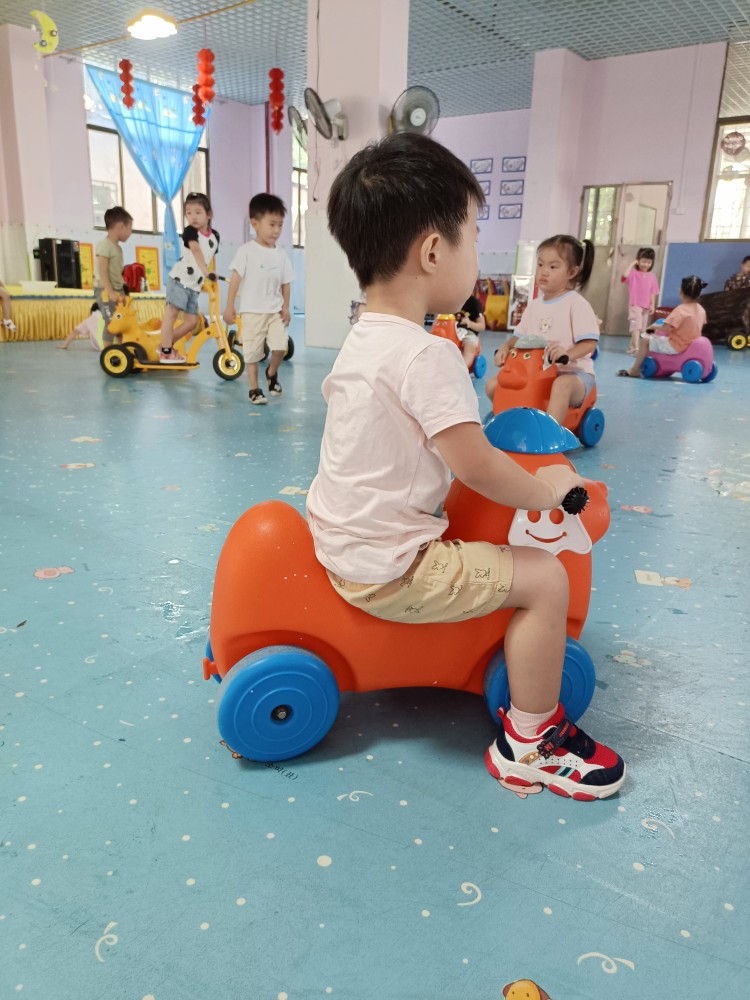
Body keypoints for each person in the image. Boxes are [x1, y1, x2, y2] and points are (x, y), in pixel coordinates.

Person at [305, 133, 625, 801]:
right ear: (432, 252)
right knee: (546, 578)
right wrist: (546, 493)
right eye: (474, 237)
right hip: (391, 566)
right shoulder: (428, 355)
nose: (478, 254)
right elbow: (476, 465)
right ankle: (532, 742)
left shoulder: (361, 338)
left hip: (341, 539)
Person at [484, 236, 600, 425]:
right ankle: (512, 422)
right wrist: (505, 347)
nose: (544, 272)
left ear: (572, 272)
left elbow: (589, 343)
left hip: (572, 374)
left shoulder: (577, 304)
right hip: (537, 375)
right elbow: (518, 337)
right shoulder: (534, 306)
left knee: (561, 385)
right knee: (492, 385)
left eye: (553, 267)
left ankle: (548, 434)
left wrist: (567, 354)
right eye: (540, 265)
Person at [223, 193, 293, 404]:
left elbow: (286, 283)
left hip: (274, 310)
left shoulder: (281, 254)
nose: (277, 230)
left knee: (280, 346)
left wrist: (286, 307)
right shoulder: (246, 251)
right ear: (255, 224)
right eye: (272, 224)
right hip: (252, 311)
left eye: (280, 225)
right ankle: (254, 389)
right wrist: (229, 306)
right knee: (252, 353)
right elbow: (235, 279)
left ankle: (271, 373)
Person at [157, 193, 219, 363]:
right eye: (189, 213)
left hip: (194, 286)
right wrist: (206, 272)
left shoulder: (215, 237)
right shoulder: (190, 231)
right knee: (171, 314)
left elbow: (208, 255)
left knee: (191, 321)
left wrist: (209, 275)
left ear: (209, 214)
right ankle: (166, 352)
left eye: (198, 212)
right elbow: (196, 250)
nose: (193, 216)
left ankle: (165, 345)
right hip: (180, 280)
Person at [617, 275, 707, 378]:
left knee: (645, 341)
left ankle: (635, 370)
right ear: (699, 293)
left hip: (676, 345)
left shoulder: (681, 310)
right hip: (691, 345)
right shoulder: (701, 310)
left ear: (680, 291)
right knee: (658, 339)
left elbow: (666, 328)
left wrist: (654, 326)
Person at [94, 207, 133, 342]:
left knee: (121, 321)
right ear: (121, 226)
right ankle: (108, 352)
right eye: (130, 228)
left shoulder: (117, 248)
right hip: (105, 290)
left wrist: (122, 289)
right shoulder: (105, 245)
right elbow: (102, 271)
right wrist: (110, 292)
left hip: (117, 290)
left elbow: (115, 271)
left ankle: (121, 350)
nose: (131, 232)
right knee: (111, 322)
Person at [621, 247, 659, 354]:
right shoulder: (633, 273)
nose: (646, 264)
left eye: (648, 262)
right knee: (636, 326)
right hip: (635, 305)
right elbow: (624, 277)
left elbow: (653, 292)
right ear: (638, 261)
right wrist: (632, 264)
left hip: (646, 306)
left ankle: (631, 347)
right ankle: (636, 348)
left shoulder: (652, 277)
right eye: (643, 261)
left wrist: (652, 305)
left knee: (641, 328)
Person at [455, 293, 486, 368]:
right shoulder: (451, 301)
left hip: (468, 332)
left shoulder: (473, 302)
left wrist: (470, 323)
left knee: (469, 345)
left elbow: (482, 326)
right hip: (451, 329)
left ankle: (462, 367)